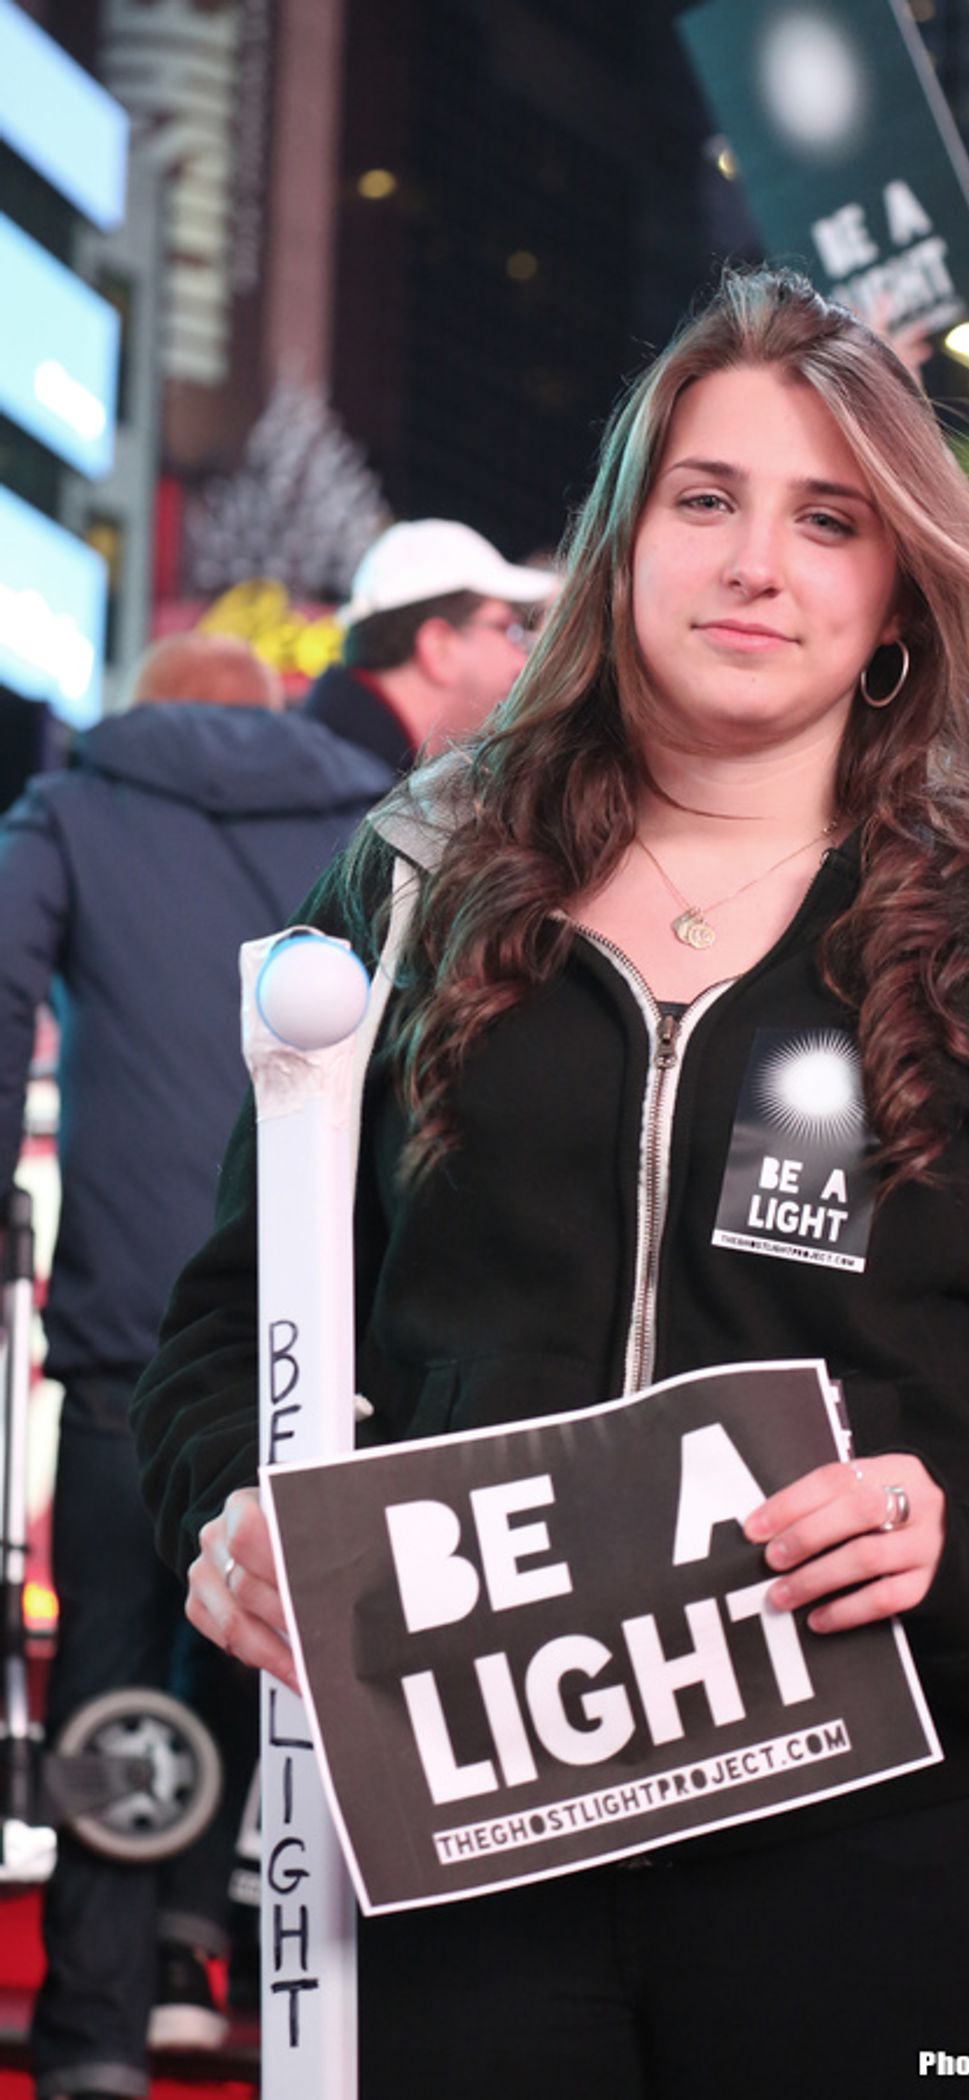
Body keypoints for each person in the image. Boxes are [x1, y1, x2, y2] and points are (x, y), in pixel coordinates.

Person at [132, 270, 969, 2098]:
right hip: (454, 1844)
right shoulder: (416, 885)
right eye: (705, 498)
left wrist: (968, 1547)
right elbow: (226, 1315)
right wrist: (234, 1515)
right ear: (621, 542)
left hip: (867, 1844)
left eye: (829, 520)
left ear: (893, 595)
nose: (757, 562)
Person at [0, 633, 394, 2100]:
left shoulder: (75, 810)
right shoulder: (375, 818)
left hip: (133, 1323)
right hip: (320, 1315)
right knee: (301, 1653)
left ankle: (98, 2035)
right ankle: (246, 1968)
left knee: (112, 1669)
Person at [300, 518, 558, 773]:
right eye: (507, 630)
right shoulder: (351, 796)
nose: (522, 662)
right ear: (438, 647)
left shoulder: (335, 772)